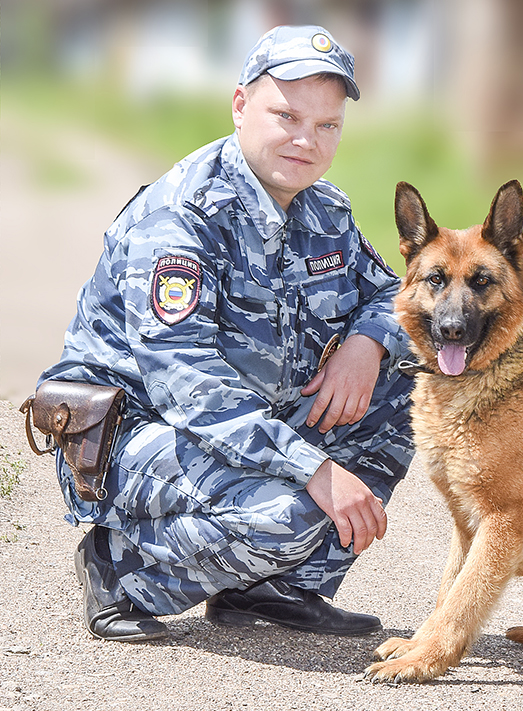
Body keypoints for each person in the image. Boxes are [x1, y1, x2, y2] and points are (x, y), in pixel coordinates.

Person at [36, 25, 414, 642]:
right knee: (291, 512)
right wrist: (315, 469)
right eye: (287, 116)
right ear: (240, 105)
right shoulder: (181, 218)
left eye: (327, 126)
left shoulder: (325, 210)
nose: (306, 141)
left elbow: (397, 292)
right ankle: (119, 569)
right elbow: (193, 391)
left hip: (241, 423)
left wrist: (365, 344)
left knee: (403, 385)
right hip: (135, 436)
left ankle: (271, 587)